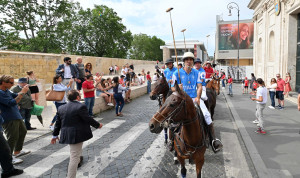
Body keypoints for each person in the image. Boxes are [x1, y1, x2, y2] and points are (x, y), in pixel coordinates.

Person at [171, 52, 223, 153]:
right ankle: (171, 140)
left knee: (207, 115)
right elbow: (172, 88)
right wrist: (177, 88)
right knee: (172, 117)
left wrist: (198, 97)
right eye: (187, 60)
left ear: (192, 62)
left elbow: (199, 87)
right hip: (181, 99)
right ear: (184, 61)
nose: (189, 61)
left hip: (194, 98)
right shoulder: (176, 73)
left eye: (191, 60)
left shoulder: (197, 73)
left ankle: (213, 140)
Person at [51, 90, 103, 178]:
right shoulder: (81, 106)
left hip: (67, 134)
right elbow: (87, 118)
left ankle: (79, 160)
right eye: (79, 95)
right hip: (76, 135)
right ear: (78, 97)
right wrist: (98, 125)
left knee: (75, 153)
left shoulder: (61, 108)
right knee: (74, 157)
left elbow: (58, 123)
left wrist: (55, 135)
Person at [0, 75, 30, 164]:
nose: (13, 84)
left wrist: (22, 91)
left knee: (23, 131)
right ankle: (8, 157)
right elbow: (11, 102)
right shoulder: (0, 92)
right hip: (9, 117)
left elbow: (15, 95)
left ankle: (17, 151)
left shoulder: (6, 91)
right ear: (3, 82)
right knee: (12, 137)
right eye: (11, 83)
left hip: (16, 115)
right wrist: (22, 92)